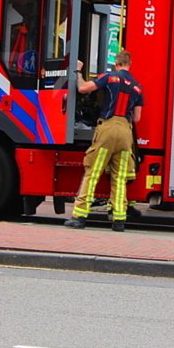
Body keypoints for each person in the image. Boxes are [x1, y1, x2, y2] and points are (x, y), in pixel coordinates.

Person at [65, 50, 143, 232]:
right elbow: (137, 118)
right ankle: (119, 221)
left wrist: (78, 71)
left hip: (107, 129)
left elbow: (83, 89)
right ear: (130, 64)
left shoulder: (109, 77)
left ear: (116, 64)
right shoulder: (137, 87)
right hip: (126, 133)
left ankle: (79, 217)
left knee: (93, 173)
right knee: (120, 178)